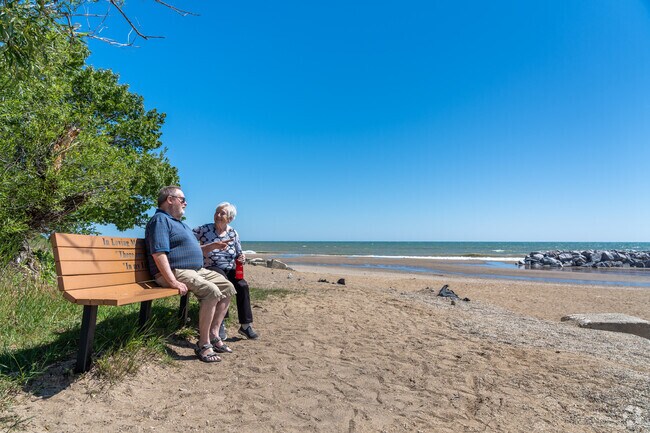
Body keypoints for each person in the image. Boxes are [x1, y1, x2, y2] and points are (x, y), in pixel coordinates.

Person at [145, 186, 236, 363]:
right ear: (170, 200)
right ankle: (203, 344)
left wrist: (210, 247)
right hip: (174, 271)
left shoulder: (179, 223)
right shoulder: (160, 220)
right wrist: (172, 281)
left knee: (228, 287)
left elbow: (189, 249)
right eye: (182, 199)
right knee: (211, 292)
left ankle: (214, 334)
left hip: (195, 270)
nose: (186, 203)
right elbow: (159, 253)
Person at [193, 202, 259, 340]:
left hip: (230, 267)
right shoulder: (204, 229)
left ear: (229, 218)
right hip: (211, 267)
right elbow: (188, 242)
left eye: (222, 213)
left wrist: (242, 258)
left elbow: (239, 253)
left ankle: (245, 325)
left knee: (242, 285)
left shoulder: (233, 232)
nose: (217, 215)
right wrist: (208, 247)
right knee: (223, 281)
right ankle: (220, 323)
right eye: (217, 212)